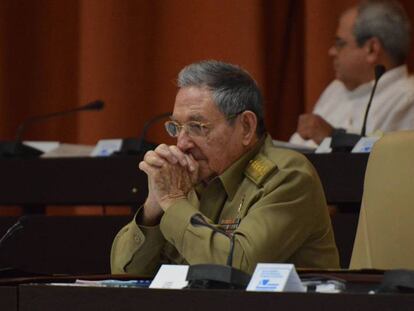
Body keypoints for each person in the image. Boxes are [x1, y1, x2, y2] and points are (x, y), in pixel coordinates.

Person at [111, 60, 339, 276]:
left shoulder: (288, 176)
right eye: (176, 127)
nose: (181, 143)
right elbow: (123, 272)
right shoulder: (186, 177)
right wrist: (154, 206)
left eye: (196, 127)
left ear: (246, 127)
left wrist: (172, 201)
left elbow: (236, 270)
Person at [290, 0, 414, 147]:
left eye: (340, 44)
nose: (332, 52)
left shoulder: (407, 98)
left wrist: (333, 138)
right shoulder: (336, 89)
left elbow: (394, 160)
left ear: (371, 49)